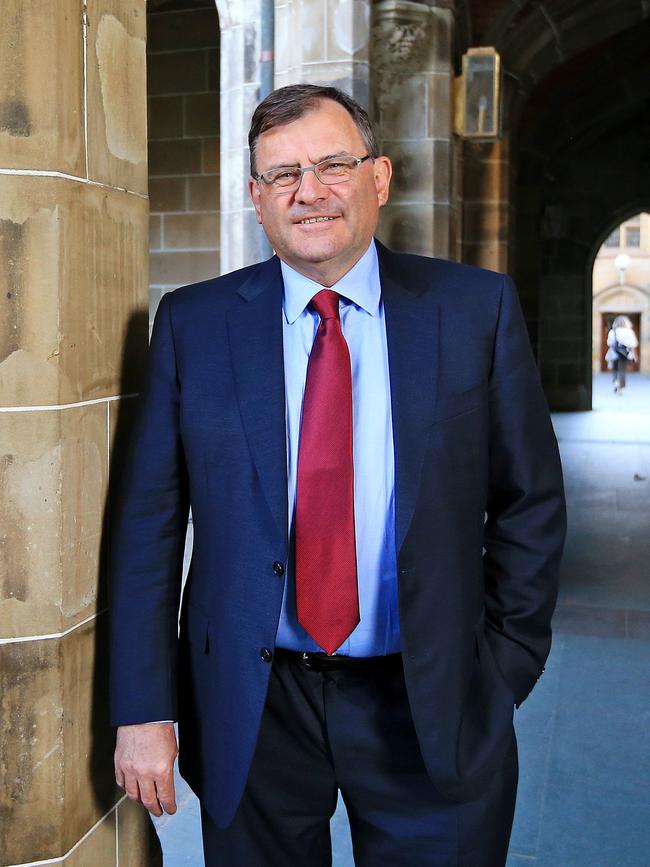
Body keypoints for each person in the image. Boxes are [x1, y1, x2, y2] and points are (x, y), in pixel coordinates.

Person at [110, 84, 566, 866]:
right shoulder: (193, 324)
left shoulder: (473, 310)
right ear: (257, 199)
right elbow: (148, 526)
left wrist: (502, 666)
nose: (309, 191)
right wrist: (145, 708)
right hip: (254, 706)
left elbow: (529, 502)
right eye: (282, 174)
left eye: (331, 164)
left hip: (428, 696)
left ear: (378, 177)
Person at [606, 314, 638, 393]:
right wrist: (635, 355)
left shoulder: (612, 332)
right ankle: (622, 387)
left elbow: (610, 343)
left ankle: (616, 382)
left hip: (614, 353)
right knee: (622, 370)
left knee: (615, 369)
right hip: (625, 354)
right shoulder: (630, 332)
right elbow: (633, 344)